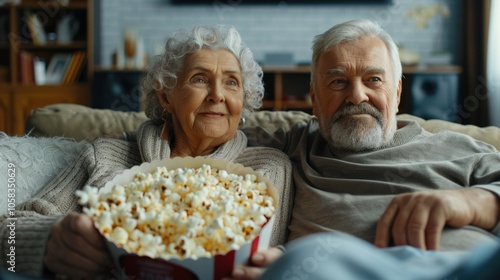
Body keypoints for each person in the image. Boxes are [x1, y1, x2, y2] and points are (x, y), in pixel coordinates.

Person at [0, 25, 293, 279]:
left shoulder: (267, 170)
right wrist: (49, 240)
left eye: (232, 82)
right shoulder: (106, 154)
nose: (217, 94)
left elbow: (274, 254)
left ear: (244, 99)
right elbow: (10, 232)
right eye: (200, 79)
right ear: (166, 95)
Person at [224, 19, 500, 279]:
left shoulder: (459, 148)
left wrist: (475, 202)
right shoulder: (294, 143)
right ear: (315, 99)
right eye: (338, 82)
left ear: (398, 92)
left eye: (374, 79)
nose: (357, 95)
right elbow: (206, 134)